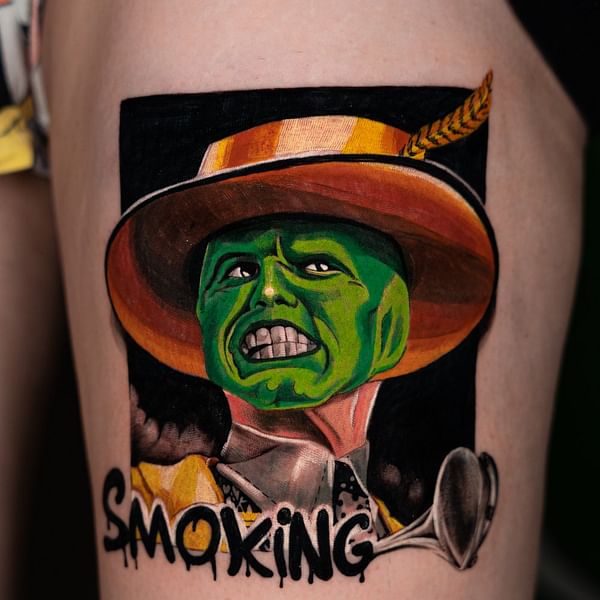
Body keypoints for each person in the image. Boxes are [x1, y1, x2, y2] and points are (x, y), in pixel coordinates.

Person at [0, 1, 588, 598]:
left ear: (392, 321)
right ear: (200, 318)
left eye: (316, 265)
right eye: (236, 271)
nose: (268, 291)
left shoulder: (391, 529)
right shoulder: (163, 502)